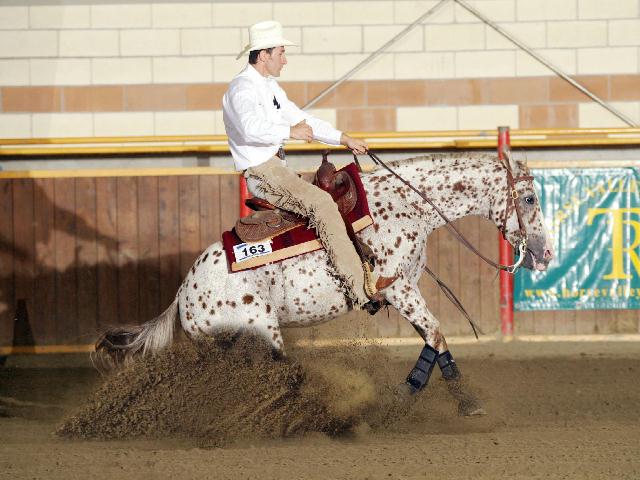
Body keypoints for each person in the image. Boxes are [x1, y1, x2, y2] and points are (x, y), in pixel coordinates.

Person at [222, 20, 395, 310]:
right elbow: (250, 127)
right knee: (322, 204)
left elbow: (304, 120)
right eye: (280, 52)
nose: (285, 60)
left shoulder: (269, 87)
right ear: (263, 55)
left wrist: (344, 139)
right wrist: (290, 132)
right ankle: (360, 288)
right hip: (264, 171)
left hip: (275, 168)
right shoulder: (242, 89)